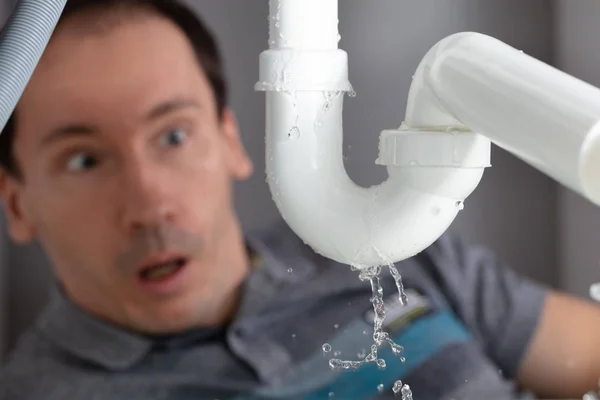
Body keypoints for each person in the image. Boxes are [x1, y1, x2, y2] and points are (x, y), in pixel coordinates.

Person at [0, 1, 600, 399]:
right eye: (84, 159)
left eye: (174, 136)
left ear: (231, 139)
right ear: (17, 203)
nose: (150, 203)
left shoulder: (395, 248)